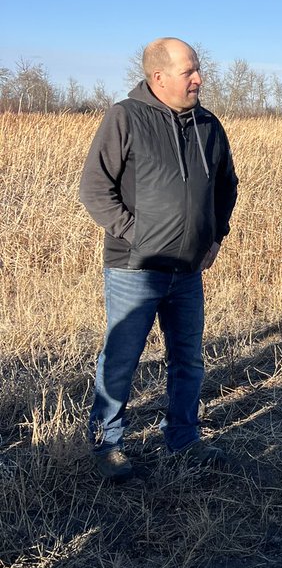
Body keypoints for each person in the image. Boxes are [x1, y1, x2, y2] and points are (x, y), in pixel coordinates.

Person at [79, 37, 238, 480]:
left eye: (198, 69)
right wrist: (138, 236)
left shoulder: (208, 124)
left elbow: (226, 186)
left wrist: (215, 237)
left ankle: (183, 439)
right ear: (159, 77)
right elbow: (95, 190)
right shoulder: (125, 117)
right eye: (189, 72)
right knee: (122, 357)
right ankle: (106, 444)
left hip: (188, 270)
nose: (198, 79)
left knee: (188, 359)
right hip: (135, 268)